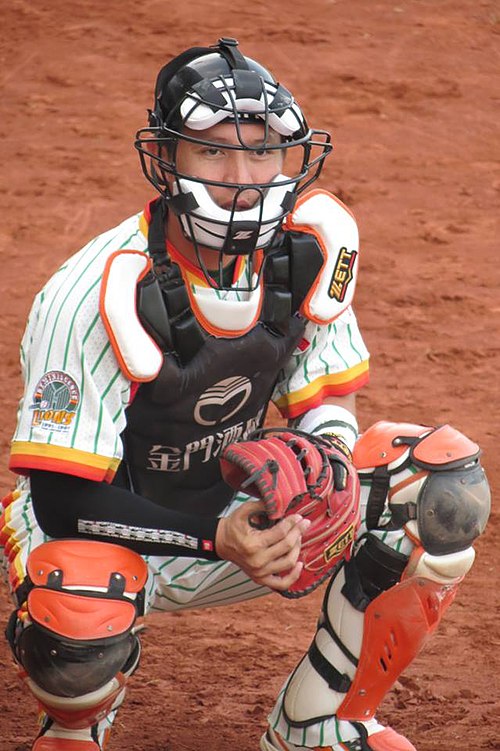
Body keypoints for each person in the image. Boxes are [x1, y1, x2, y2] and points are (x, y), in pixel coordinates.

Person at [0, 38, 490, 751]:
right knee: (78, 596)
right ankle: (76, 723)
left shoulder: (308, 255)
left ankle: (320, 717)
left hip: (246, 521)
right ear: (168, 159)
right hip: (106, 529)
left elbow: (326, 399)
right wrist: (217, 538)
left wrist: (321, 471)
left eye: (263, 151)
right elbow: (62, 499)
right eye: (213, 151)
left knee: (441, 487)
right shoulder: (95, 293)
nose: (243, 177)